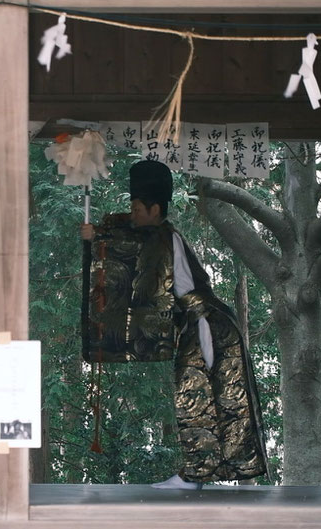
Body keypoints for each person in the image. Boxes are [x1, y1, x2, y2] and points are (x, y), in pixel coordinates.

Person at [81, 160, 267, 490]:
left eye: (137, 209)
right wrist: (96, 235)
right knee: (201, 394)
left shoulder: (162, 241)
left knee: (197, 392)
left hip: (208, 324)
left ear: (154, 209)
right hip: (200, 323)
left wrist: (97, 238)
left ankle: (198, 474)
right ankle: (198, 473)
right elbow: (130, 233)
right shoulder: (160, 233)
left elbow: (130, 248)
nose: (133, 214)